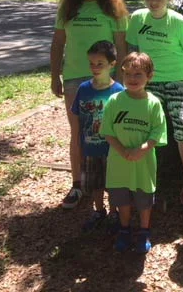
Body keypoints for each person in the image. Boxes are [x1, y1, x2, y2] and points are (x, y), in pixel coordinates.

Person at [50, 0, 128, 209]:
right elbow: (58, 44)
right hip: (75, 79)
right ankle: (78, 185)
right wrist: (54, 75)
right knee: (78, 133)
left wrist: (121, 81)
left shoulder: (113, 9)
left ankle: (110, 183)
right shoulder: (67, 8)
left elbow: (121, 47)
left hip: (106, 82)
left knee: (107, 133)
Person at [127, 0, 183, 206]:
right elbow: (133, 52)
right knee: (144, 126)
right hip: (150, 81)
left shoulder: (177, 21)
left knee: (182, 127)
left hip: (179, 80)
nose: (154, 0)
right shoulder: (137, 18)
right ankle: (145, 178)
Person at [99, 52, 167, 254]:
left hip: (143, 163)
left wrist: (142, 149)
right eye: (127, 74)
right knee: (122, 199)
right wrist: (123, 151)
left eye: (138, 74)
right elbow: (107, 131)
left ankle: (144, 231)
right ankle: (124, 230)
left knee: (144, 199)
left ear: (149, 76)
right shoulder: (114, 101)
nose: (132, 79)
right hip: (119, 162)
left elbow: (157, 131)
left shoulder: (153, 103)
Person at [70, 41, 124, 230]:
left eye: (100, 63)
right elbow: (76, 117)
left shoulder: (118, 92)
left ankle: (114, 213)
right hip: (89, 147)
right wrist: (78, 144)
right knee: (95, 183)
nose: (95, 67)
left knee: (113, 183)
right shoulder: (84, 89)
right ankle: (99, 211)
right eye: (92, 63)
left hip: (112, 150)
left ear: (112, 64)